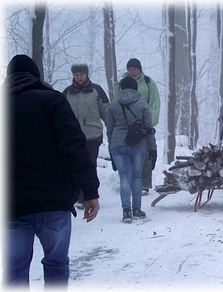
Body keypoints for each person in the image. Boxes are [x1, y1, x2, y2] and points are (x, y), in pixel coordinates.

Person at [3, 54, 100, 288]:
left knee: (15, 270)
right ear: (36, 76)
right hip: (54, 202)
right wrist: (90, 191)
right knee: (56, 265)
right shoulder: (53, 100)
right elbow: (75, 147)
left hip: (13, 205)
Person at [107, 76, 157, 223]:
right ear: (135, 88)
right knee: (136, 177)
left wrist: (111, 151)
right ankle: (137, 209)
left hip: (117, 144)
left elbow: (109, 130)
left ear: (122, 88)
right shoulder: (142, 105)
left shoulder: (113, 106)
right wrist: (153, 149)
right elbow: (148, 129)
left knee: (124, 178)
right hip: (138, 145)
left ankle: (126, 211)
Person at [63, 63, 110, 209]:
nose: (79, 77)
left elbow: (106, 112)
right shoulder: (67, 93)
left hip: (93, 134)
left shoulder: (97, 90)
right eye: (76, 75)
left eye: (81, 74)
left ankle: (88, 196)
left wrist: (112, 130)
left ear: (87, 75)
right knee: (73, 165)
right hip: (73, 135)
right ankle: (77, 195)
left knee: (90, 165)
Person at [115, 58, 160, 196]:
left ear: (139, 69)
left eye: (134, 69)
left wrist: (149, 123)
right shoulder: (122, 83)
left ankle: (145, 184)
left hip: (143, 125)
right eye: (129, 69)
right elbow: (116, 101)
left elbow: (154, 103)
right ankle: (128, 182)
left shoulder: (148, 82)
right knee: (127, 154)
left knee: (145, 155)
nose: (132, 71)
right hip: (125, 125)